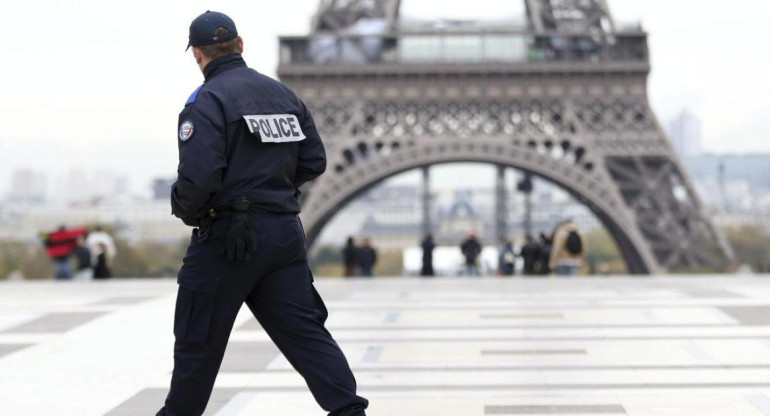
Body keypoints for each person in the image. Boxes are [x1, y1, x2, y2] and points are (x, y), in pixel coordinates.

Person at [157, 11, 367, 416]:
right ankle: (349, 412)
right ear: (240, 44)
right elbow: (315, 162)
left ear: (197, 54)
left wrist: (188, 209)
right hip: (283, 233)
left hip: (227, 239)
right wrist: (273, 190)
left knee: (197, 342)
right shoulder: (285, 96)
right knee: (306, 334)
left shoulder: (207, 101)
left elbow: (199, 178)